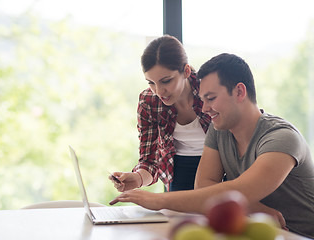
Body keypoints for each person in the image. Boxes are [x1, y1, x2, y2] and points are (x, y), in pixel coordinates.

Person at [110, 53, 314, 239]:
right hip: (253, 233)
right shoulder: (219, 130)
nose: (205, 109)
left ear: (240, 91)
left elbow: (242, 190)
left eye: (211, 99)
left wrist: (158, 201)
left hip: (298, 235)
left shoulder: (281, 138)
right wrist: (251, 207)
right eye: (202, 100)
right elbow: (204, 186)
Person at [109, 35, 211, 192]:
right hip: (178, 176)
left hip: (220, 172)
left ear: (186, 71)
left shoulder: (210, 90)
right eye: (151, 82)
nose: (159, 91)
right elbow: (149, 160)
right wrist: (137, 179)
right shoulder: (149, 102)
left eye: (166, 81)